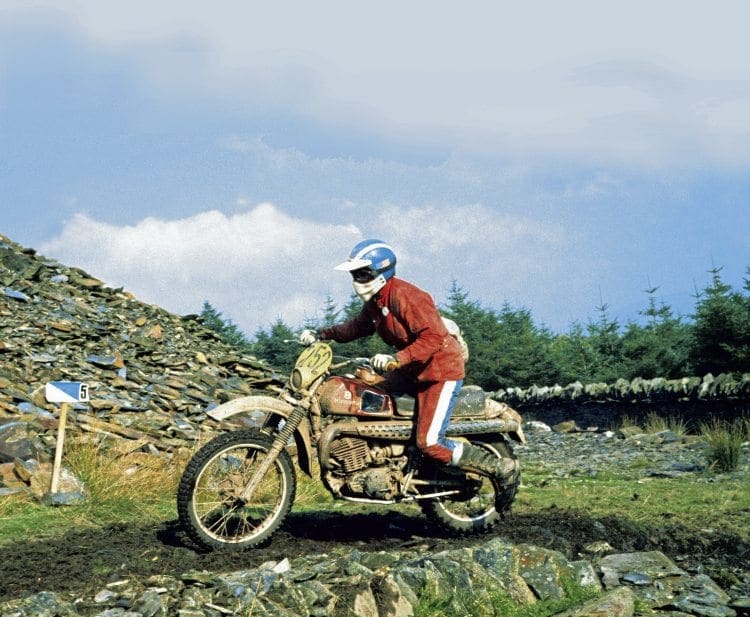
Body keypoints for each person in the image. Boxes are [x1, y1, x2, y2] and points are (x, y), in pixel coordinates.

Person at [299, 238, 514, 480]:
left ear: (380, 271)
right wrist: (322, 334)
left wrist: (396, 358)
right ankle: (380, 462)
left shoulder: (405, 296)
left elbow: (433, 337)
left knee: (430, 442)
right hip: (412, 370)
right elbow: (357, 327)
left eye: (362, 273)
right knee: (366, 396)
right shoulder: (377, 301)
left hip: (440, 372)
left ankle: (496, 468)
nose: (357, 279)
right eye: (355, 274)